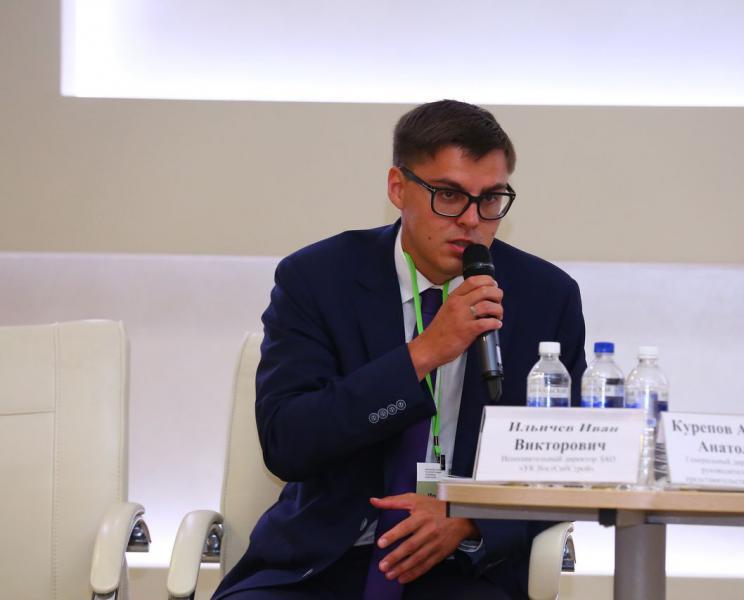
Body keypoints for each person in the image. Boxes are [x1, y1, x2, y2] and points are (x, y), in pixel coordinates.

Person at [213, 100, 586, 599]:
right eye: (449, 195)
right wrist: (424, 353)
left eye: (491, 199)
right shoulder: (318, 279)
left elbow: (571, 463)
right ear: (397, 188)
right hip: (324, 561)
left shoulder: (545, 296)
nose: (472, 220)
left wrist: (470, 518)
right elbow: (288, 442)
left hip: (462, 567)